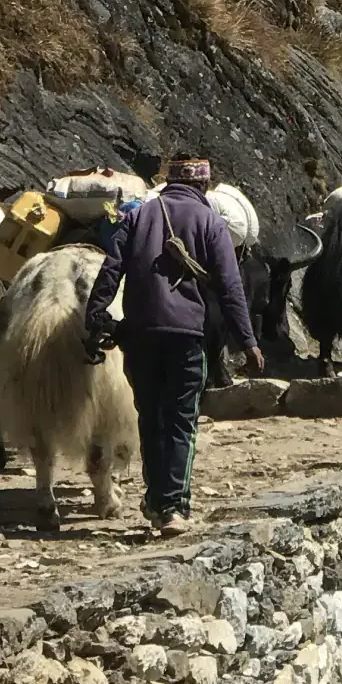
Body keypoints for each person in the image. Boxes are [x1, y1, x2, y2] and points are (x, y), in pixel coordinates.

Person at [84, 154, 263, 537]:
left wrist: (95, 317)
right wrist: (247, 341)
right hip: (187, 338)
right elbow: (231, 289)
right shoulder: (212, 223)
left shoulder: (136, 217)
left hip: (141, 336)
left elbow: (111, 270)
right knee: (181, 421)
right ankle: (174, 508)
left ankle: (154, 500)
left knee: (150, 419)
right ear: (203, 185)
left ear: (169, 182)